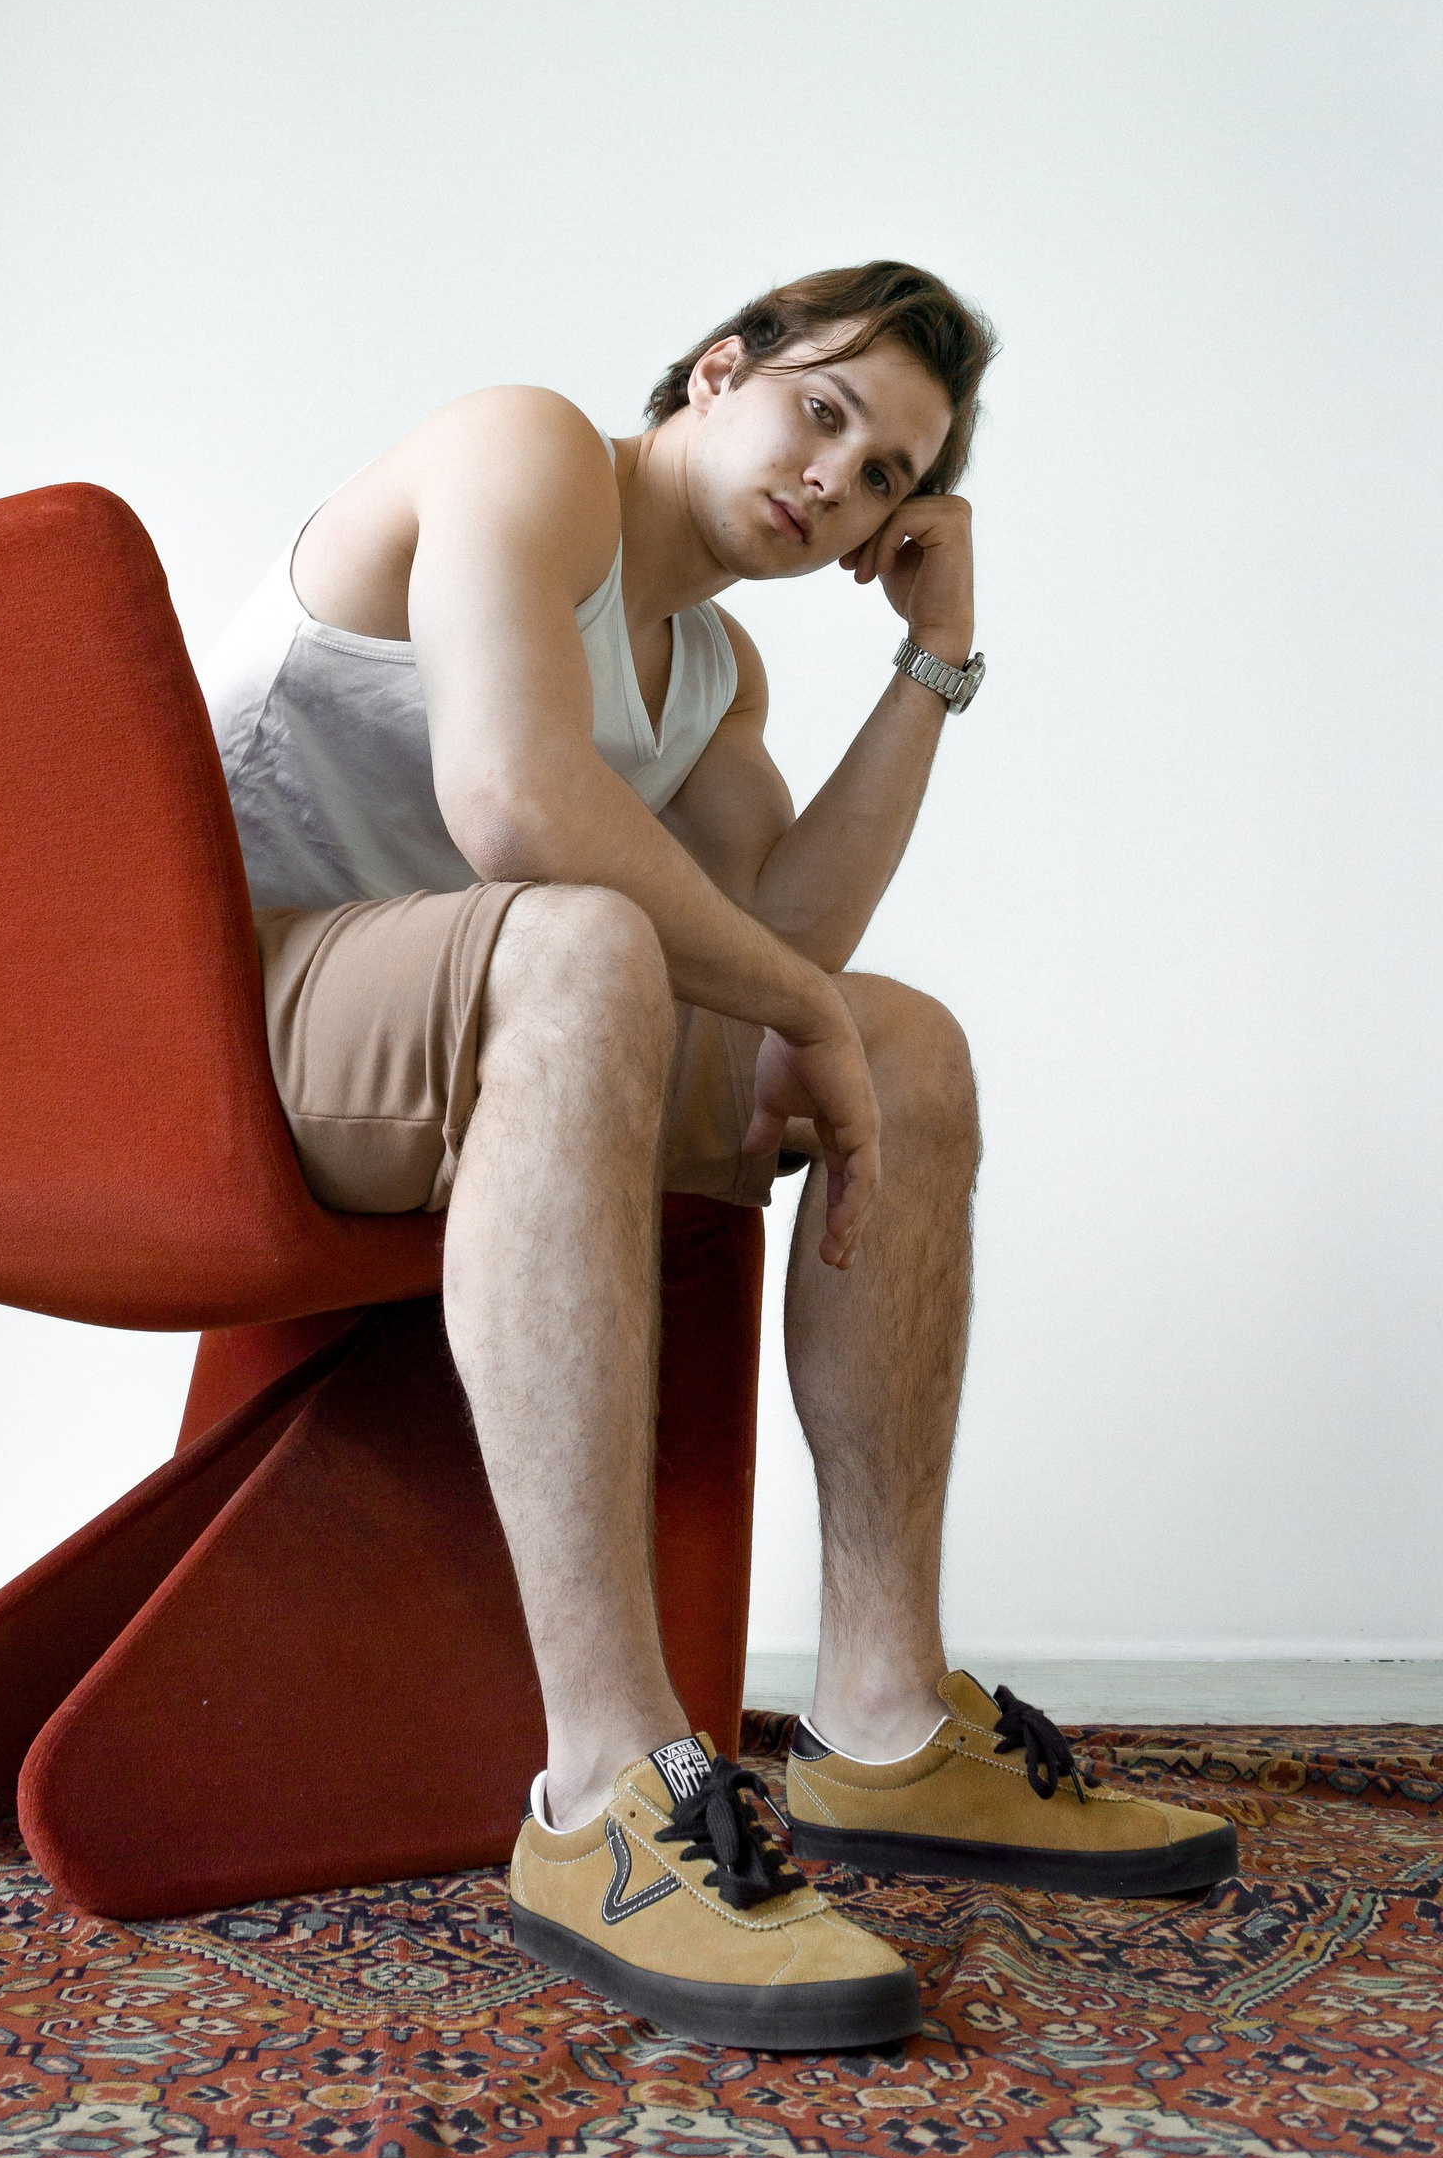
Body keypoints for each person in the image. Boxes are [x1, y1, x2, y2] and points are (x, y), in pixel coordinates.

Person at [204, 260, 1233, 2052]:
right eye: (821, 412)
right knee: (586, 940)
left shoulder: (710, 674)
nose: (838, 478)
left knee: (899, 1045)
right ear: (717, 370)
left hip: (464, 1024)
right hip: (212, 1023)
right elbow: (512, 802)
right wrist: (791, 1004)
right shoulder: (526, 451)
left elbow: (781, 955)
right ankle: (604, 1788)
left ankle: (884, 1727)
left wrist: (934, 660)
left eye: (888, 473)